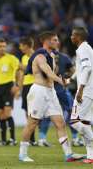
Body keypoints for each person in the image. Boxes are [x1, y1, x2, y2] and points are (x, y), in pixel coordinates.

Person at [19, 31, 83, 162]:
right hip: (39, 92)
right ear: (47, 41)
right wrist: (62, 81)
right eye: (55, 40)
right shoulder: (40, 56)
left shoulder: (52, 56)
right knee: (32, 123)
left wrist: (64, 78)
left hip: (50, 92)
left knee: (60, 123)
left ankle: (68, 154)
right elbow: (48, 73)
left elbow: (54, 75)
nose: (57, 42)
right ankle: (22, 154)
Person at [70, 27, 93, 164]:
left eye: (73, 35)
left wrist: (81, 89)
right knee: (85, 123)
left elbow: (88, 68)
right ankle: (91, 156)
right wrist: (71, 79)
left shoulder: (83, 49)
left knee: (74, 121)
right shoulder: (88, 49)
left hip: (86, 91)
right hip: (89, 90)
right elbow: (81, 69)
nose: (71, 37)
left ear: (78, 36)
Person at [19, 36, 37, 146]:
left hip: (34, 85)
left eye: (21, 46)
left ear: (26, 46)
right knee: (27, 112)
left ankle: (36, 138)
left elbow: (34, 71)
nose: (20, 48)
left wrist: (23, 67)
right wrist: (19, 87)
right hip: (26, 86)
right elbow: (23, 74)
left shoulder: (36, 56)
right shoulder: (24, 57)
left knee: (34, 113)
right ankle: (32, 139)